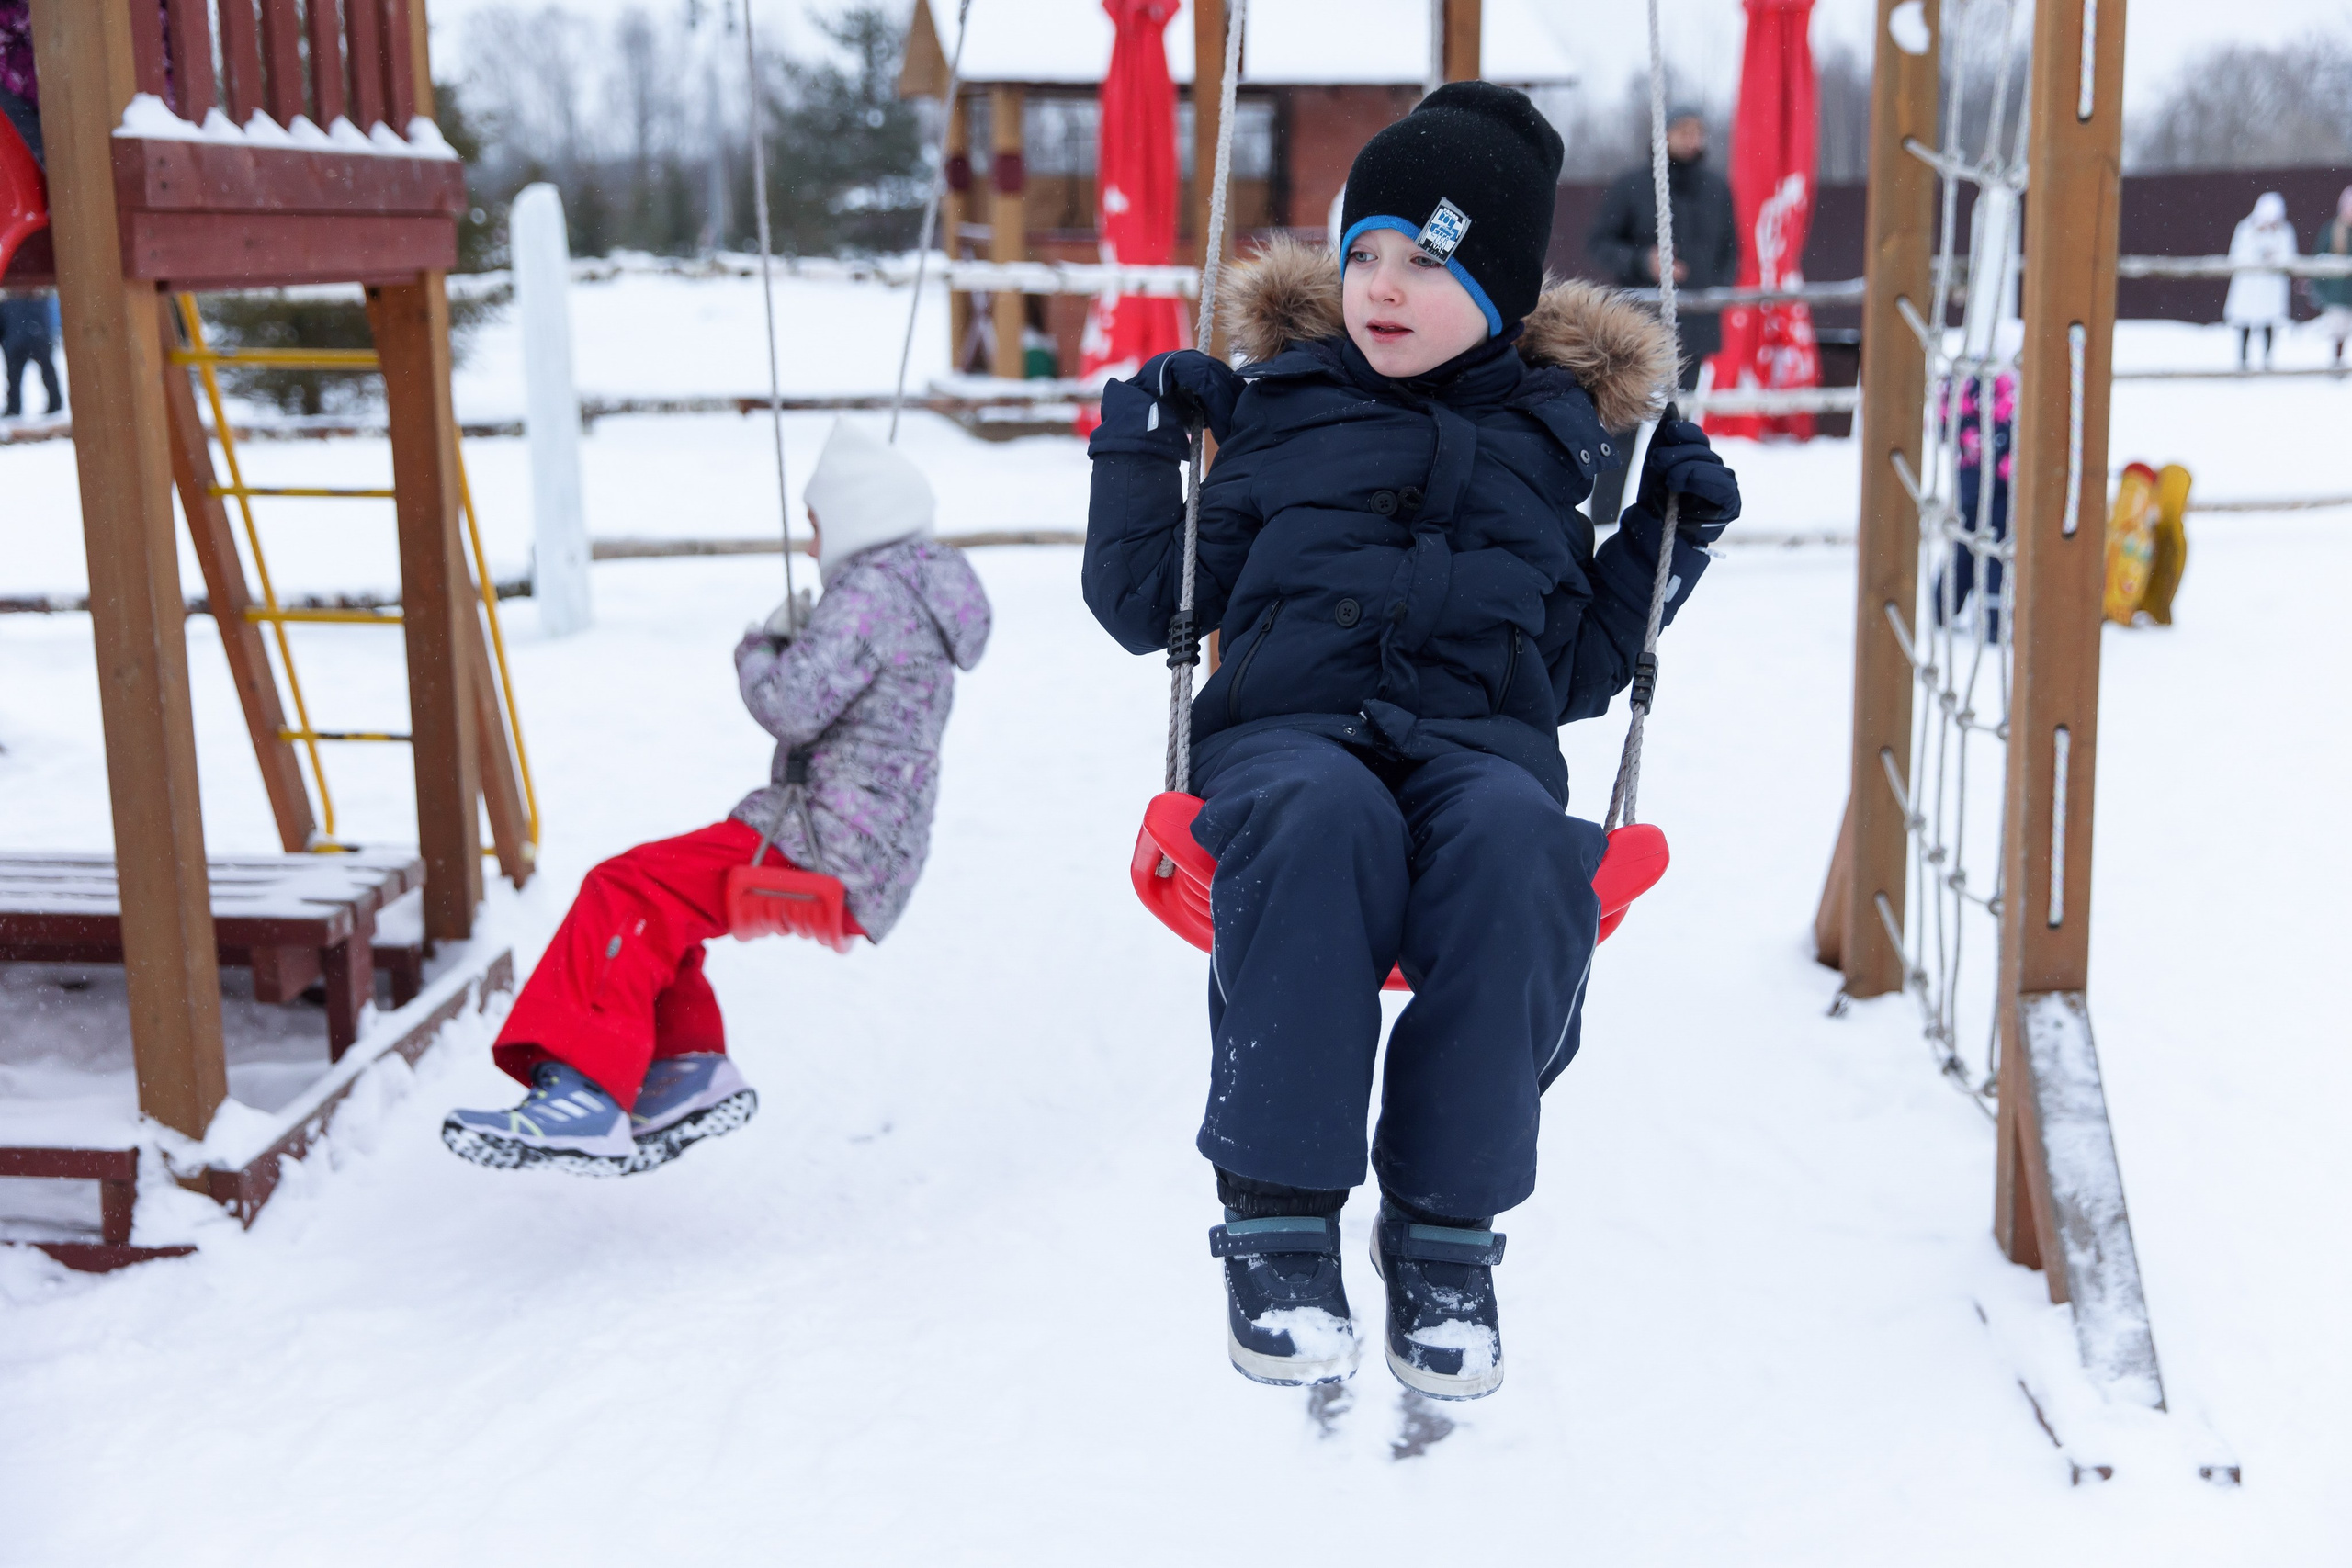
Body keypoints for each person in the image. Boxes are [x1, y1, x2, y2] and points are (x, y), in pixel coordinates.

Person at [1082, 83, 1738, 1401]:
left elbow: (1571, 671)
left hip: (1479, 756)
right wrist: (1141, 447)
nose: (1382, 284)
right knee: (1328, 817)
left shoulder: (1549, 451)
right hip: (1288, 740)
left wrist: (1671, 547)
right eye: (1366, 250)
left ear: (1497, 289)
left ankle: (1447, 1238)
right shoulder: (1278, 414)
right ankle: (1278, 1220)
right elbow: (1150, 603)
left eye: (1428, 260)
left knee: (1521, 847)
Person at [443, 421, 993, 1176]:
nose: (809, 546)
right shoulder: (918, 592)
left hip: (825, 841)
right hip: (870, 852)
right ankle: (686, 1071)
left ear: (855, 518)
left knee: (626, 885)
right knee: (665, 903)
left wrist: (762, 646)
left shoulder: (874, 594)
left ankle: (584, 1091)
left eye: (816, 526)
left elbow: (791, 704)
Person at [1583, 106, 1738, 524]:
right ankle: (1603, 524)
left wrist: (1705, 288)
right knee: (1622, 430)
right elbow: (1599, 244)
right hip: (1637, 330)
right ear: (1663, 135)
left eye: (1699, 131)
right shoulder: (1633, 186)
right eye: (1684, 130)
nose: (1693, 139)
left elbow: (1731, 252)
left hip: (1694, 330)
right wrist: (1643, 263)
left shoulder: (1716, 188)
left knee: (1679, 432)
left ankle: (1666, 524)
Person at [2224, 192, 2296, 369]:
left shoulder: (2284, 231)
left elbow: (2289, 257)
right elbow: (2237, 255)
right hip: (2248, 286)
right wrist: (2258, 256)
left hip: (2270, 288)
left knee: (2269, 325)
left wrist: (2274, 258)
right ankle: (2242, 363)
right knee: (2244, 325)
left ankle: (2267, 362)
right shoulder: (2245, 229)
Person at [1, 288, 61, 420]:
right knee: (14, 378)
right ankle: (14, 408)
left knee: (47, 373)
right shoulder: (8, 300)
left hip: (35, 340)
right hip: (18, 342)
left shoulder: (42, 297)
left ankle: (55, 404)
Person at [2312, 186, 2352, 372]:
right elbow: (2320, 259)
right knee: (2339, 332)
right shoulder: (2332, 230)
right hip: (2338, 293)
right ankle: (2337, 366)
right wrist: (2321, 289)